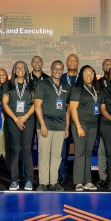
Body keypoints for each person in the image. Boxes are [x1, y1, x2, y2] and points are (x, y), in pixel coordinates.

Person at [1, 61, 37, 190]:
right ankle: (14, 180)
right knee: (14, 151)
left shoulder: (32, 84)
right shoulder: (8, 85)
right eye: (18, 67)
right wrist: (16, 119)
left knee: (27, 151)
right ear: (14, 70)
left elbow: (35, 104)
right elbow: (5, 104)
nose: (20, 69)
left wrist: (25, 117)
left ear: (26, 70)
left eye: (23, 67)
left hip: (29, 119)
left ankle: (29, 181)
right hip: (12, 120)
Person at [34, 60, 70, 190]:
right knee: (44, 154)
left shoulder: (66, 86)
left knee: (56, 155)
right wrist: (42, 125)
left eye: (60, 69)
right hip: (46, 125)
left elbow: (67, 109)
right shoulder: (43, 84)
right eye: (55, 68)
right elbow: (37, 106)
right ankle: (43, 182)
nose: (58, 71)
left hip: (60, 127)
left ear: (63, 70)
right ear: (51, 69)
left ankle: (54, 182)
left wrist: (66, 127)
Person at [68, 66, 101, 191]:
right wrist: (78, 126)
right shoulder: (77, 89)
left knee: (88, 152)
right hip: (80, 124)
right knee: (80, 152)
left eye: (91, 73)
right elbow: (72, 109)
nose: (88, 75)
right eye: (86, 73)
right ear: (81, 75)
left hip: (93, 125)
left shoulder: (97, 88)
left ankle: (88, 181)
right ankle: (78, 182)